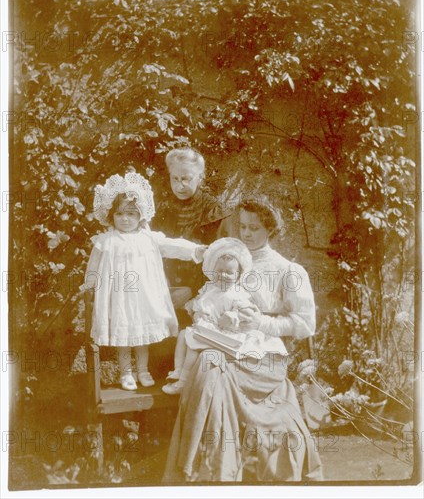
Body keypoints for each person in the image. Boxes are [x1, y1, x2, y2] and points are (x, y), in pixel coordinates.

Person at [163, 198, 323, 482]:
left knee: (214, 371)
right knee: (209, 367)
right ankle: (211, 471)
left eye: (255, 228)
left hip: (262, 353)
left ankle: (223, 472)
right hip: (221, 345)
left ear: (270, 230)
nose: (246, 234)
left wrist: (260, 322)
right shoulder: (227, 259)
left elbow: (304, 324)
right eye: (242, 226)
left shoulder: (288, 271)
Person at [82, 169, 204, 391]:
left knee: (141, 335)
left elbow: (172, 245)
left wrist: (196, 250)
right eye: (119, 214)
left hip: (143, 297)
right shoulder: (106, 241)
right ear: (111, 215)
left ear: (141, 215)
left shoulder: (148, 237)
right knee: (124, 335)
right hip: (118, 298)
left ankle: (143, 369)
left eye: (131, 213)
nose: (125, 219)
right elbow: (93, 267)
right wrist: (90, 287)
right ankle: (126, 372)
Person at [162, 237, 269, 395]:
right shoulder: (209, 288)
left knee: (193, 342)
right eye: (219, 271)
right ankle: (178, 370)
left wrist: (233, 316)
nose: (223, 276)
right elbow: (199, 302)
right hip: (206, 329)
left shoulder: (237, 293)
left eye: (229, 273)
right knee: (183, 334)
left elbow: (245, 312)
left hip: (224, 334)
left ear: (238, 275)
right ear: (213, 271)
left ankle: (183, 383)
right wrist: (195, 310)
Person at [153, 147, 233, 319]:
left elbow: (223, 259)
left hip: (202, 295)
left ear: (200, 177)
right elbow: (152, 250)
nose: (180, 185)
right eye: (175, 178)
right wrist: (161, 284)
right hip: (162, 290)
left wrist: (192, 288)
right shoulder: (162, 209)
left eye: (186, 179)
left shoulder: (213, 211)